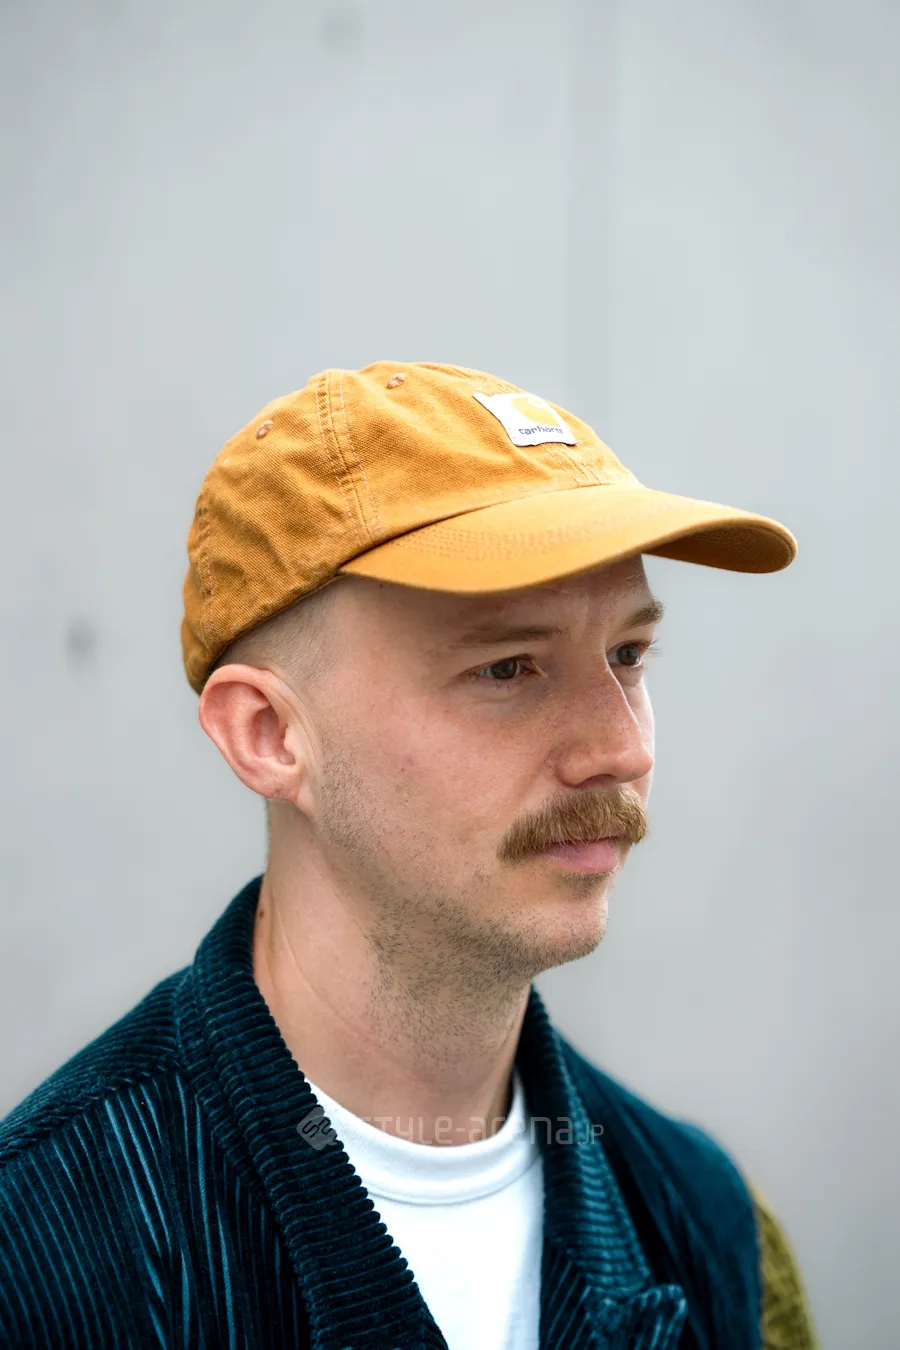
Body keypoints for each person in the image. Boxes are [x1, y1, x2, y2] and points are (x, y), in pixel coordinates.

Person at [0, 362, 818, 1349]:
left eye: (628, 656)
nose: (622, 749)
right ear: (268, 734)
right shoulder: (39, 1258)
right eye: (508, 668)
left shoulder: (711, 1230)